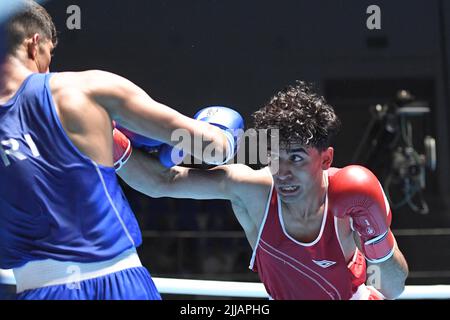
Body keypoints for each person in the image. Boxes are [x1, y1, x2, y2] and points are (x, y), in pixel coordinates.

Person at [0, 0, 242, 300]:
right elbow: (211, 149)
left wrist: (121, 150)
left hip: (35, 291)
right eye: (48, 54)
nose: (49, 67)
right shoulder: (82, 89)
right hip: (118, 284)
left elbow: (154, 182)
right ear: (34, 44)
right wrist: (225, 135)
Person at [114, 81, 409, 300]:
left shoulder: (348, 199)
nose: (283, 172)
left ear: (326, 159)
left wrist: (378, 240)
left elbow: (392, 288)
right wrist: (107, 139)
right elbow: (159, 182)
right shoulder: (254, 191)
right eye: (274, 157)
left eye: (295, 158)